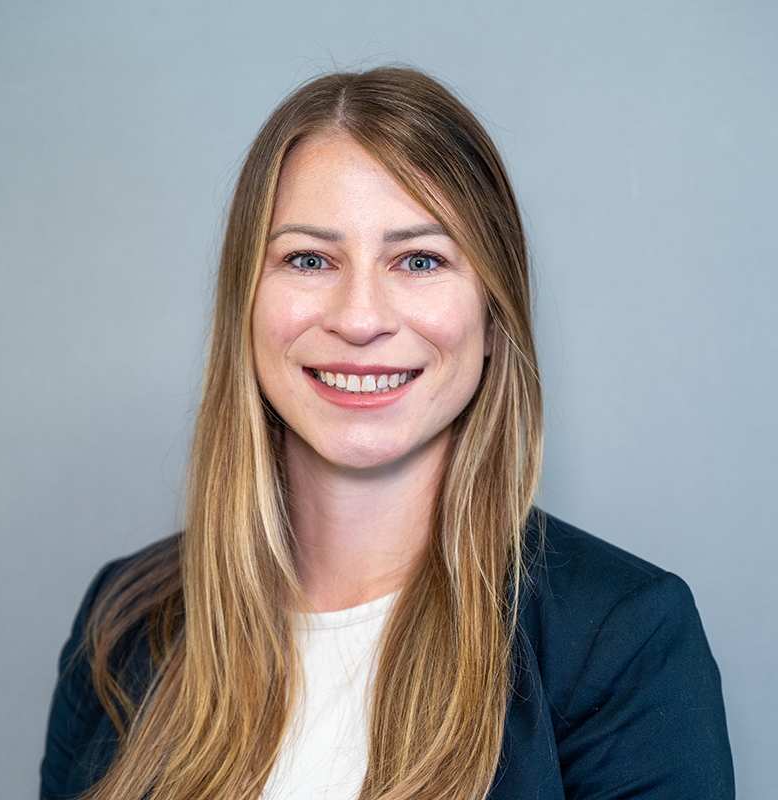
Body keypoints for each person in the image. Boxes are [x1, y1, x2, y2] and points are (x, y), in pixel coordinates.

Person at [40, 67, 734, 800]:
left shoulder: (624, 638)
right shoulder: (123, 622)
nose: (361, 318)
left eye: (419, 260)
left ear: (493, 315)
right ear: (245, 302)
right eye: (309, 259)